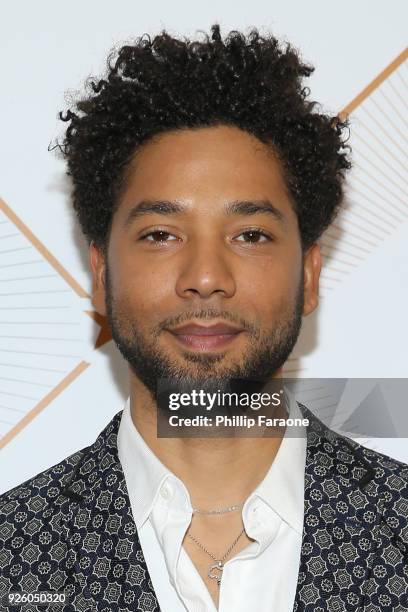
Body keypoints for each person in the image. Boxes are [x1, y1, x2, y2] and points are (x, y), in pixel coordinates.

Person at [1, 25, 407, 612]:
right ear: (102, 274)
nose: (207, 275)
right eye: (161, 234)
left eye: (250, 234)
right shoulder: (15, 554)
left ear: (310, 275)